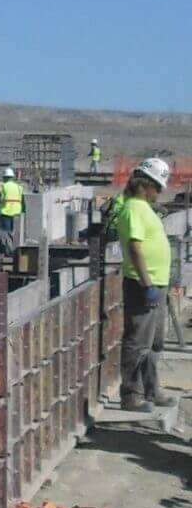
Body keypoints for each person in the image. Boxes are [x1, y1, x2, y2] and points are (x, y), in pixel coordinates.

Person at [112, 157, 172, 412]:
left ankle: (151, 389)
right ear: (146, 185)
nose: (159, 193)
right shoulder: (134, 208)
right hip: (142, 285)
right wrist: (147, 283)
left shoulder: (145, 208)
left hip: (157, 284)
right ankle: (131, 395)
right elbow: (135, 248)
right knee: (138, 343)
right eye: (157, 187)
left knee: (155, 343)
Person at [0, 167, 25, 236]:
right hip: (17, 214)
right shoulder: (19, 187)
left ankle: (7, 246)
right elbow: (23, 202)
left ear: (4, 177)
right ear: (12, 177)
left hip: (6, 214)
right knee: (16, 236)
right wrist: (23, 213)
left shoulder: (2, 187)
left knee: (6, 235)